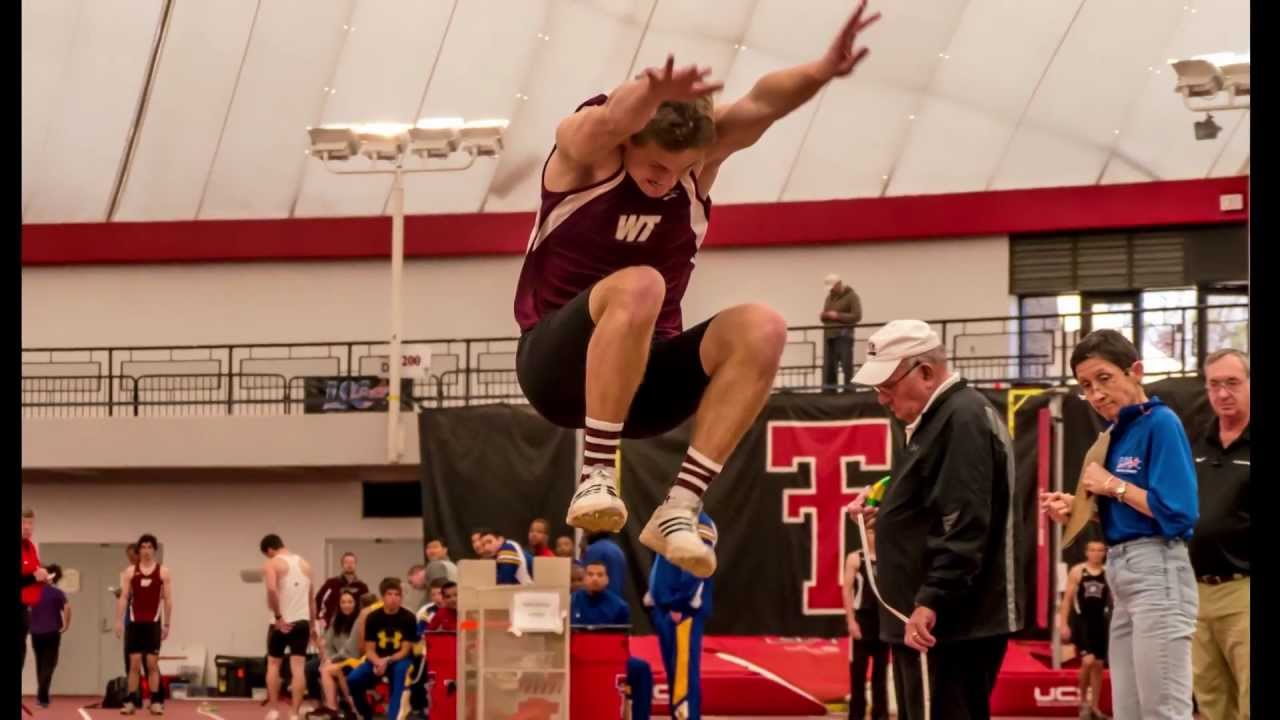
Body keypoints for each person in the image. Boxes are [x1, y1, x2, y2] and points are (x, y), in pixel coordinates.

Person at [511, 2, 880, 578]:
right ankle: (598, 474)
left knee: (764, 325)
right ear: (633, 138)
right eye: (653, 164)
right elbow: (603, 125)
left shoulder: (696, 162)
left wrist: (821, 70)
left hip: (644, 381)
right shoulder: (588, 156)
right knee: (642, 282)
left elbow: (762, 103)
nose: (662, 180)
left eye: (676, 167)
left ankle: (680, 506)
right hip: (557, 369)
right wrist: (649, 88)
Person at [845, 319, 1024, 720]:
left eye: (886, 385)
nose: (881, 399)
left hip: (947, 624)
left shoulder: (960, 419)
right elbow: (940, 498)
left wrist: (931, 598)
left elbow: (964, 520)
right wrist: (889, 504)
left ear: (925, 372)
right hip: (935, 621)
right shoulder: (940, 419)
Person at [1040, 329, 1199, 720]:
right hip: (1123, 571)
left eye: (1104, 378)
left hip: (1157, 568)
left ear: (1137, 371)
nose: (1096, 394)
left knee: (1164, 710)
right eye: (1086, 386)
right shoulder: (1116, 433)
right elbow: (1129, 508)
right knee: (1127, 710)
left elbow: (1178, 512)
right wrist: (1080, 507)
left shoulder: (1160, 423)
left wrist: (1110, 484)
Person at [1190, 348, 1250, 720]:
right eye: (1214, 385)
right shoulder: (1197, 443)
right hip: (1195, 593)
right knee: (1210, 699)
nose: (1223, 393)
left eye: (1232, 383)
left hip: (1243, 591)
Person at [645, 512, 717, 720]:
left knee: (683, 674)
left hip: (682, 611)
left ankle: (688, 717)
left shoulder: (700, 523)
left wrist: (681, 603)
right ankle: (678, 716)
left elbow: (699, 564)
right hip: (665, 608)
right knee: (674, 673)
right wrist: (653, 592)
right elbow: (661, 559)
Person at [259, 534, 319, 720]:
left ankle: (274, 710)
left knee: (273, 664)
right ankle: (294, 713)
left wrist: (278, 617)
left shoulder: (272, 563)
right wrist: (313, 624)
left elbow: (271, 589)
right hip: (301, 622)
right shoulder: (306, 565)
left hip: (281, 622)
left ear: (269, 550)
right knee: (298, 668)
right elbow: (311, 599)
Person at [114, 533, 173, 715]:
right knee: (134, 663)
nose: (146, 551)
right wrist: (118, 621)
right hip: (134, 623)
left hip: (153, 623)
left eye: (150, 547)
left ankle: (155, 701)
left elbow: (168, 600)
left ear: (154, 550)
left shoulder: (164, 572)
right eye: (143, 547)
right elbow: (124, 597)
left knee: (152, 664)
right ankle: (131, 700)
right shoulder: (130, 572)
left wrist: (167, 625)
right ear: (139, 551)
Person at [346, 578, 420, 720]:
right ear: (382, 597)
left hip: (399, 659)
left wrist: (386, 661)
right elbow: (369, 649)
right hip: (376, 659)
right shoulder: (373, 617)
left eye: (397, 595)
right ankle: (366, 713)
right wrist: (378, 662)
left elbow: (405, 650)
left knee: (399, 675)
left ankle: (392, 717)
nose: (393, 598)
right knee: (353, 679)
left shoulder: (409, 617)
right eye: (390, 594)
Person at [1058, 541, 1111, 720]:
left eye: (1099, 550)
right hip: (1082, 622)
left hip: (1101, 623)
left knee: (1098, 665)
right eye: (1092, 550)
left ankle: (1094, 706)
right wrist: (1063, 623)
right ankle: (1082, 703)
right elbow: (1067, 600)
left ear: (1104, 553)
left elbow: (1113, 600)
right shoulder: (1078, 571)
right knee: (1087, 661)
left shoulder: (1108, 572)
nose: (1096, 554)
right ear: (1086, 552)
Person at [843, 529, 888, 720]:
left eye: (877, 531)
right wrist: (851, 621)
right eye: (870, 531)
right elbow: (847, 590)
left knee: (880, 674)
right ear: (863, 533)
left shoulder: (888, 558)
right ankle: (856, 715)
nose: (874, 535)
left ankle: (880, 714)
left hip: (883, 623)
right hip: (862, 621)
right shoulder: (855, 558)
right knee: (858, 673)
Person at [309, 589, 360, 719]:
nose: (346, 605)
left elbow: (351, 649)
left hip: (353, 659)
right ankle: (322, 706)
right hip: (337, 658)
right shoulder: (336, 620)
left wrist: (331, 659)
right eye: (343, 602)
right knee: (310, 668)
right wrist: (326, 657)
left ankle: (336, 708)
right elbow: (328, 643)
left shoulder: (359, 622)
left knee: (327, 669)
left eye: (350, 602)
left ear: (355, 604)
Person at [29, 563, 70, 709]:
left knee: (40, 664)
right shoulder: (56, 592)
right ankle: (43, 697)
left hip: (36, 633)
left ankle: (42, 696)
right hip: (52, 632)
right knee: (49, 664)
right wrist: (66, 624)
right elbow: (67, 608)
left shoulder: (32, 591)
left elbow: (27, 609)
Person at [820, 273, 863, 392]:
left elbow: (857, 316)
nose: (832, 290)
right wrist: (824, 315)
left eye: (833, 287)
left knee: (846, 364)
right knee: (830, 365)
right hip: (829, 335)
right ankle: (830, 390)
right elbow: (824, 315)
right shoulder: (829, 297)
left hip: (844, 335)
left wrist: (837, 316)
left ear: (839, 284)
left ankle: (849, 389)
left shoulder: (852, 296)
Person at [20, 507, 49, 677]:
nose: (27, 527)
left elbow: (34, 572)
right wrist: (34, 577)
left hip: (25, 606)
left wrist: (43, 577)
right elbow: (30, 576)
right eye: (23, 523)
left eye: (30, 523)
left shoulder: (30, 547)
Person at [315, 552, 369, 630]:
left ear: (355, 564)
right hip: (332, 626)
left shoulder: (362, 587)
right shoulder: (331, 583)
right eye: (346, 562)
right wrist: (320, 619)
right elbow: (318, 600)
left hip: (354, 627)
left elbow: (367, 607)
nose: (349, 565)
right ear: (342, 565)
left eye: (352, 562)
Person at [582, 531, 629, 597]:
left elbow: (585, 580)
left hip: (599, 602)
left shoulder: (594, 550)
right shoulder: (616, 549)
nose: (584, 535)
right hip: (616, 599)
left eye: (585, 531)